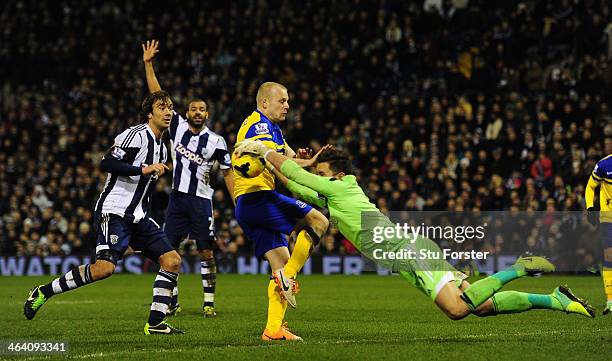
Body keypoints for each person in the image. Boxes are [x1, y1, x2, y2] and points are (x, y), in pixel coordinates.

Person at [235, 141, 596, 320]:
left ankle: (520, 267)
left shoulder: (343, 186)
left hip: (407, 251)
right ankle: (556, 300)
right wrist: (284, 166)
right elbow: (296, 186)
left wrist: (265, 151)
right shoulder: (334, 191)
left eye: (322, 169)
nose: (317, 173)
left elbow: (299, 176)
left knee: (458, 309)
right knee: (481, 306)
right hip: (406, 252)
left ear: (337, 174)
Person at [24, 91, 185, 334]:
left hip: (139, 217)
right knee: (104, 269)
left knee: (172, 260)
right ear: (150, 113)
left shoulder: (163, 147)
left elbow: (145, 189)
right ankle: (43, 292)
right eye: (162, 107)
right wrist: (143, 169)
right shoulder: (135, 135)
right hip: (115, 211)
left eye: (171, 107)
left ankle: (155, 323)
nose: (168, 111)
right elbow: (107, 162)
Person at [142, 40, 234, 318]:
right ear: (188, 112)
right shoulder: (177, 127)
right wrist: (148, 64)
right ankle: (172, 302)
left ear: (207, 114)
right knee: (168, 251)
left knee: (206, 252)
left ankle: (208, 302)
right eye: (193, 108)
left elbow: (229, 173)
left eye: (201, 109)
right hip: (177, 199)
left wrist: (237, 201)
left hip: (202, 201)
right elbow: (157, 93)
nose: (196, 112)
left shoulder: (217, 141)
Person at [233, 82, 329, 341]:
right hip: (258, 199)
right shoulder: (260, 125)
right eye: (282, 101)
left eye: (288, 101)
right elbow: (274, 159)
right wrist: (308, 162)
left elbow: (286, 156)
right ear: (264, 103)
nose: (287, 105)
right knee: (319, 220)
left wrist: (301, 158)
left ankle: (273, 329)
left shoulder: (272, 129)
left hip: (248, 205)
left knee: (282, 264)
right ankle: (288, 278)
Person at [585, 154, 612, 315]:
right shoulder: (604, 164)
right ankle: (610, 300)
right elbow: (590, 186)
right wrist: (590, 207)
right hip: (608, 217)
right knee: (609, 256)